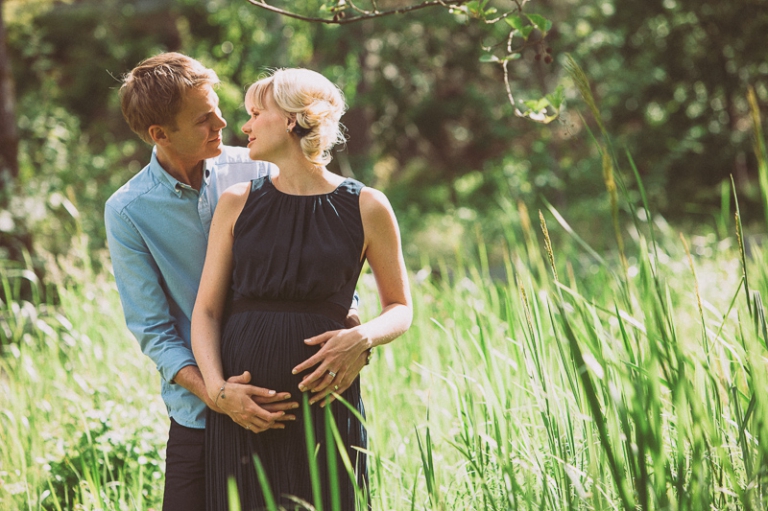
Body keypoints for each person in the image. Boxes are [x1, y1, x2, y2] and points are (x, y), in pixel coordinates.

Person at [104, 53, 369, 511]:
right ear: (159, 135)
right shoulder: (129, 210)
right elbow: (154, 330)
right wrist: (219, 394)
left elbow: (323, 255)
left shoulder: (262, 165)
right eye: (204, 119)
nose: (224, 122)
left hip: (293, 403)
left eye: (220, 108)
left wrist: (354, 331)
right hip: (201, 415)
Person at [191, 68, 412, 510]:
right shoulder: (237, 202)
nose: (245, 126)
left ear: (293, 119)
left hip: (327, 409)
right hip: (243, 415)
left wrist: (361, 337)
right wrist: (219, 394)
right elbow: (208, 313)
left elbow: (400, 307)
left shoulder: (368, 205)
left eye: (256, 113)